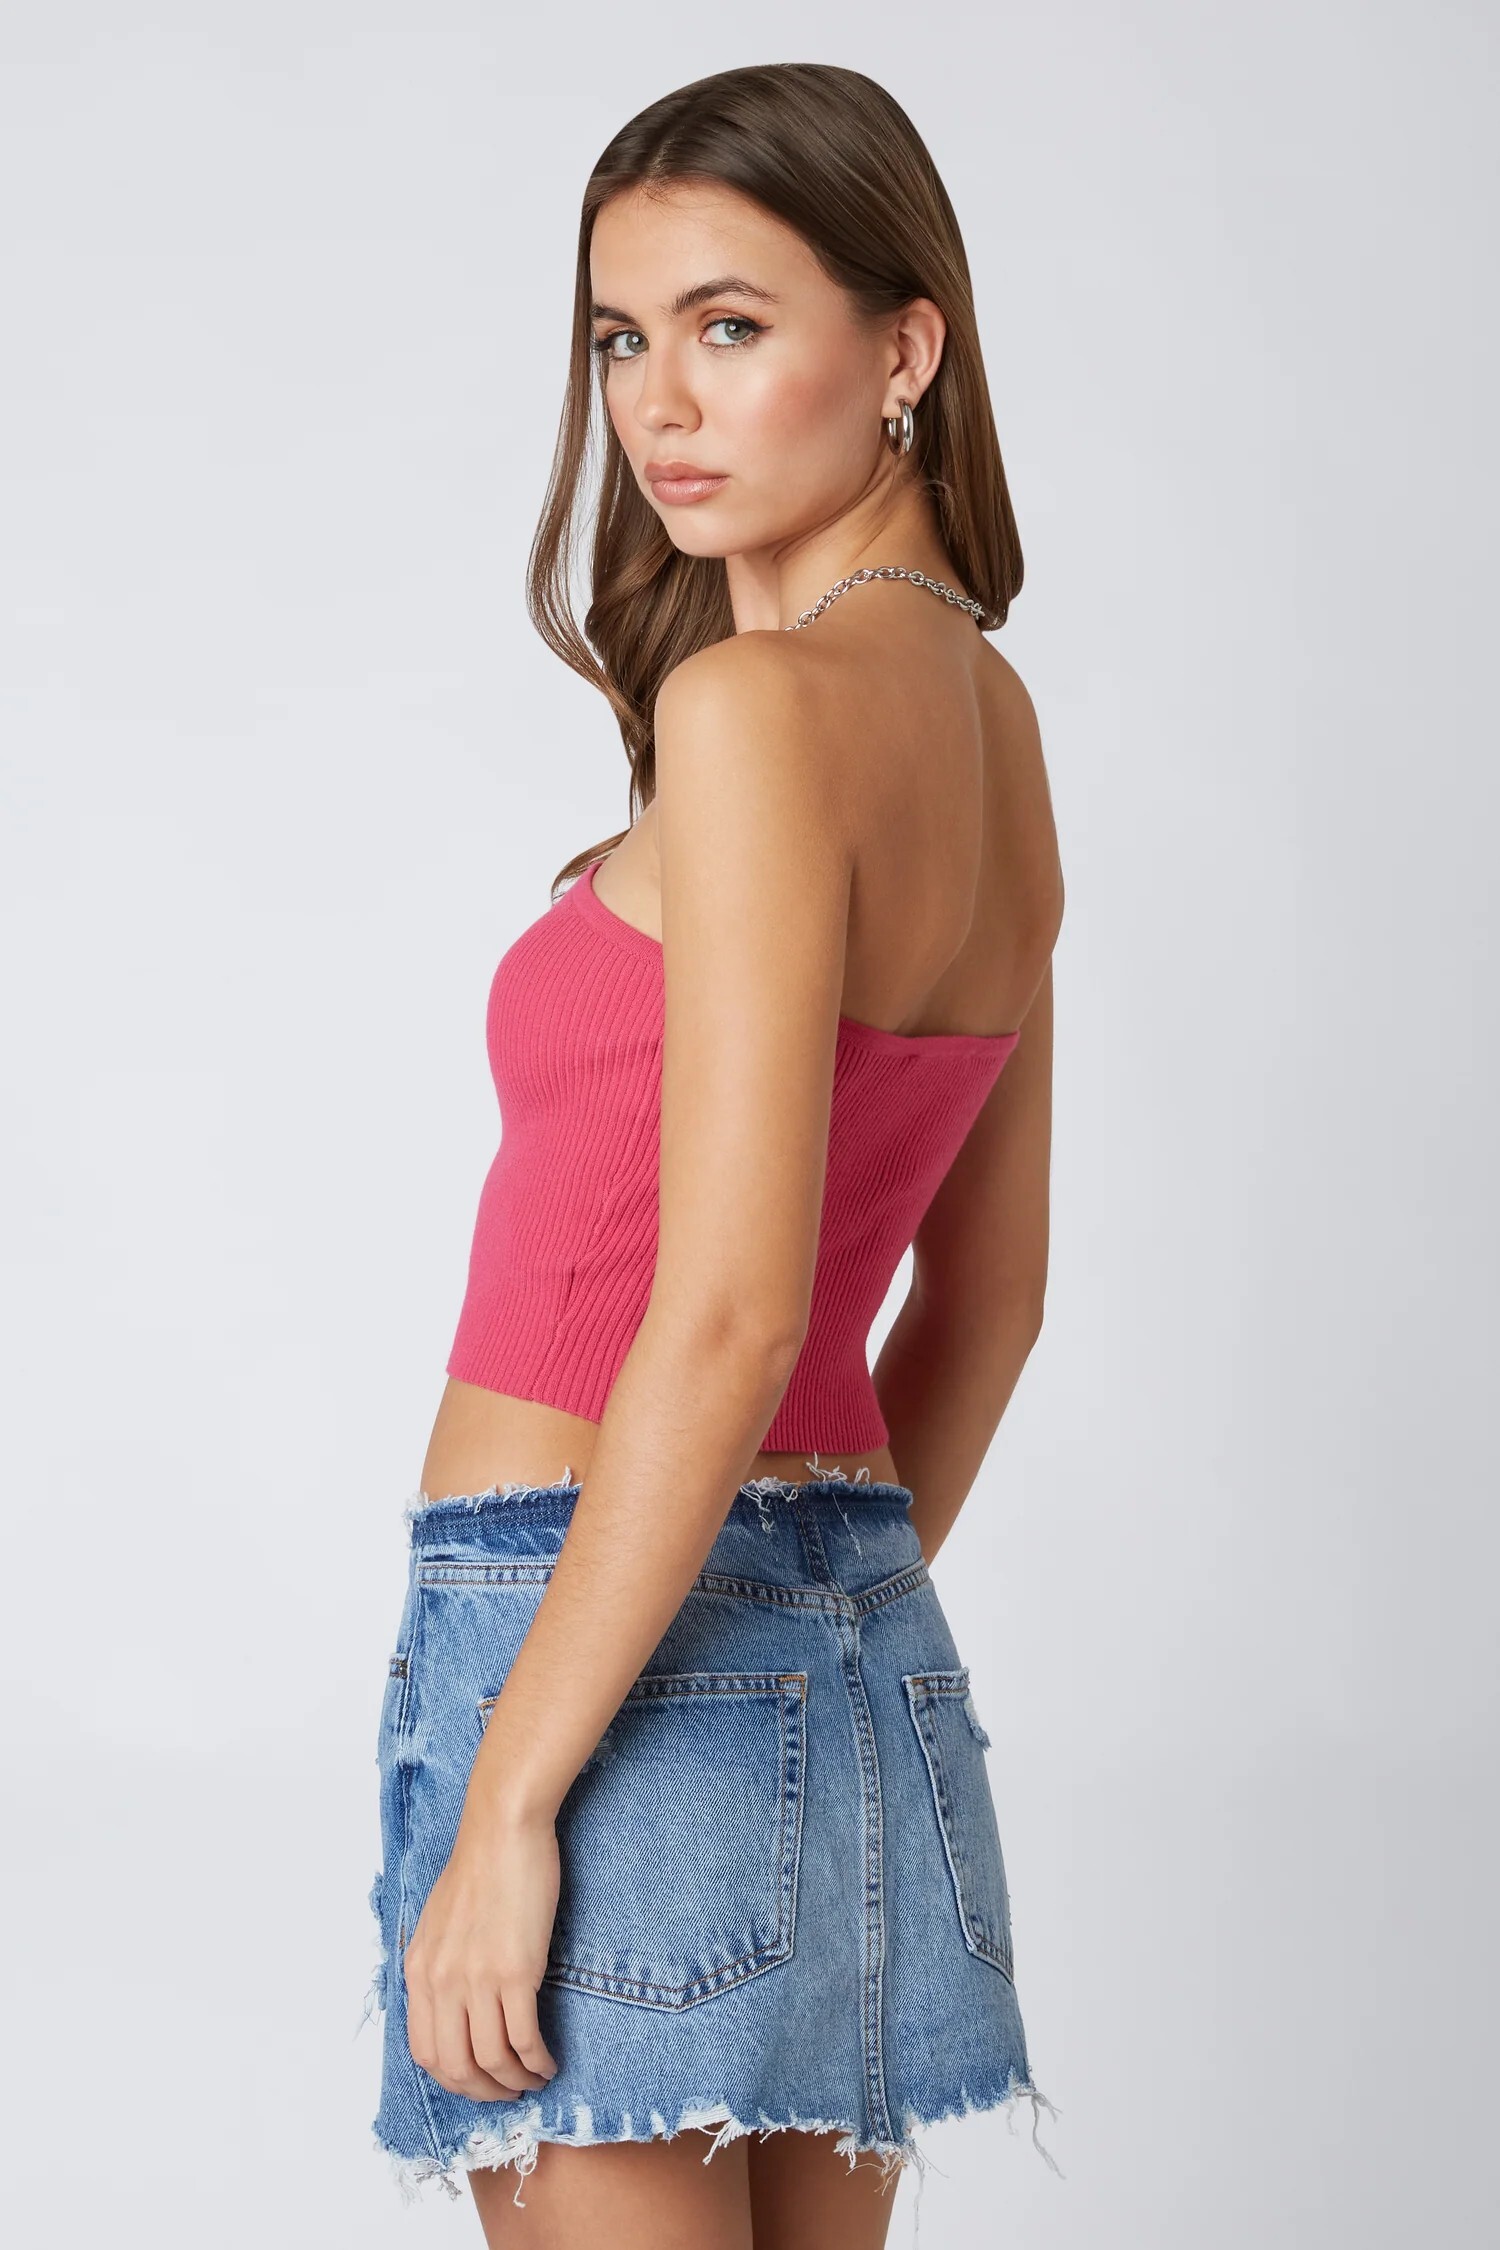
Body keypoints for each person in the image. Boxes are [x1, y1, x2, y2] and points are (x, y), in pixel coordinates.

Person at [364, 61, 1065, 2250]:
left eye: (731, 325)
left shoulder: (755, 714)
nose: (658, 402)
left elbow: (742, 1303)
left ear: (906, 347)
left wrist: (519, 1784)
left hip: (592, 1639)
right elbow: (990, 1305)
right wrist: (800, 1607)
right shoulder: (996, 724)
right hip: (844, 1645)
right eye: (620, 336)